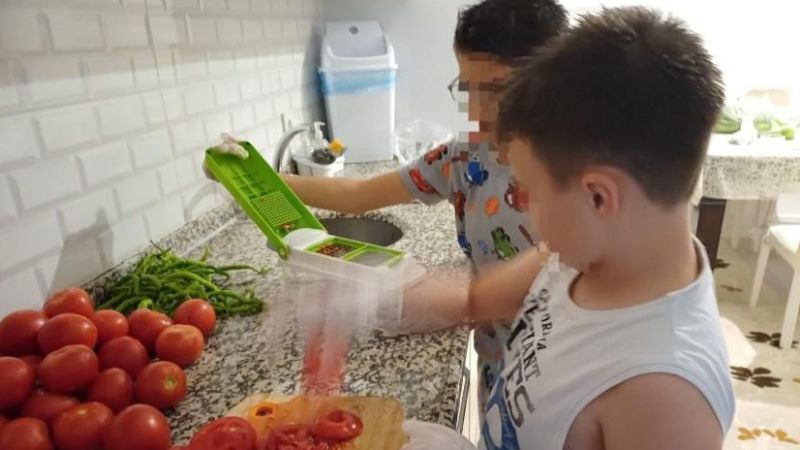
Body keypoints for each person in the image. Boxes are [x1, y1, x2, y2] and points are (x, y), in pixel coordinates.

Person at [207, 0, 569, 409]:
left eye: (498, 90)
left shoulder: (579, 176)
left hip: (562, 378)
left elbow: (537, 282)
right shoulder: (464, 157)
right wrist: (255, 178)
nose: (476, 111)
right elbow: (357, 195)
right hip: (498, 369)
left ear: (551, 83)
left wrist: (397, 299)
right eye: (467, 88)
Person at [401, 6, 735, 449]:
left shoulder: (664, 399)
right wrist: (369, 302)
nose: (524, 209)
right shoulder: (589, 254)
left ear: (598, 197)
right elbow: (476, 299)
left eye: (528, 190)